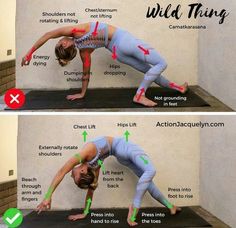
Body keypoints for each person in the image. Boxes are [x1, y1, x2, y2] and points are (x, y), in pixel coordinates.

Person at [21, 22, 188, 107]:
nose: (59, 40)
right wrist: (29, 54)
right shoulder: (75, 31)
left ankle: (178, 88)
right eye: (59, 43)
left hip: (118, 53)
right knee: (161, 63)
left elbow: (86, 74)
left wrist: (82, 93)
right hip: (124, 41)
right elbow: (49, 34)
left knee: (149, 71)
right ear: (64, 45)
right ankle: (139, 95)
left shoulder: (83, 52)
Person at [36, 136, 181, 226]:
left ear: (81, 171)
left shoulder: (85, 154)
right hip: (124, 152)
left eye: (74, 178)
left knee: (149, 177)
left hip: (124, 151)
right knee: (148, 176)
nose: (71, 176)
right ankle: (136, 207)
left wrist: (48, 196)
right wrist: (85, 212)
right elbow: (92, 188)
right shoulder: (94, 166)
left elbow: (62, 171)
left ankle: (170, 206)